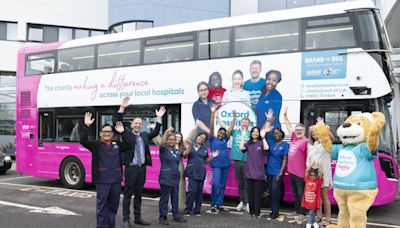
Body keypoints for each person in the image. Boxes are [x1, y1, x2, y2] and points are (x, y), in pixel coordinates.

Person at [117, 97, 166, 228]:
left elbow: (155, 132)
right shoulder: (126, 133)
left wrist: (159, 118)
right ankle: (126, 219)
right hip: (131, 168)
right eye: (136, 123)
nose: (138, 125)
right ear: (132, 125)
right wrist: (122, 108)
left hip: (141, 168)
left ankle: (137, 217)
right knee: (128, 194)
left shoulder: (144, 135)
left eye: (140, 123)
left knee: (139, 194)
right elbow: (118, 122)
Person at [79, 112, 132, 228]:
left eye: (109, 132)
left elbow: (129, 145)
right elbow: (83, 141)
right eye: (104, 132)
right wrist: (86, 126)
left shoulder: (117, 144)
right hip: (103, 181)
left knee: (113, 206)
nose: (107, 134)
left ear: (112, 133)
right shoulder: (96, 145)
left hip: (116, 180)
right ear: (100, 134)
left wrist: (124, 132)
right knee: (102, 207)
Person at [158, 127, 190, 225]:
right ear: (167, 141)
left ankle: (176, 216)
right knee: (164, 198)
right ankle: (162, 217)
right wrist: (167, 131)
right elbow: (162, 142)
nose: (172, 141)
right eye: (170, 139)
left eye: (174, 139)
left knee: (175, 198)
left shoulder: (176, 151)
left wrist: (189, 145)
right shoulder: (164, 149)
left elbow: (185, 153)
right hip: (165, 177)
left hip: (175, 177)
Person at [282, 106, 308, 221]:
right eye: (297, 130)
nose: (298, 131)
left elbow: (308, 158)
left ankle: (303, 213)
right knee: (295, 193)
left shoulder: (306, 141)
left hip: (301, 174)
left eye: (300, 130)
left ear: (304, 131)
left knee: (301, 193)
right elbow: (288, 127)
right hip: (292, 172)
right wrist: (285, 116)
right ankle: (297, 210)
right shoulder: (294, 138)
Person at [184, 132, 219, 216]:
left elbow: (205, 161)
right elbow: (185, 155)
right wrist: (188, 145)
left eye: (203, 138)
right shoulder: (190, 145)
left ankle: (197, 210)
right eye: (200, 137)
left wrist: (212, 157)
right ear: (197, 137)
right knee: (192, 191)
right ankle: (188, 210)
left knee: (199, 193)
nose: (201, 139)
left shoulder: (205, 149)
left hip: (201, 173)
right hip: (192, 171)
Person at [239, 126, 270, 218]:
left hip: (259, 173)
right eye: (253, 132)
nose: (255, 133)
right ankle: (252, 212)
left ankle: (257, 213)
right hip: (249, 172)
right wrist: (244, 136)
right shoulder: (249, 144)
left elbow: (267, 148)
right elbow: (241, 148)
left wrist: (263, 137)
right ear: (251, 133)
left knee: (257, 195)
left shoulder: (261, 143)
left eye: (257, 132)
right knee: (251, 195)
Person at [307, 118, 333, 227]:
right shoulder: (310, 145)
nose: (314, 134)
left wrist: (322, 126)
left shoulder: (325, 142)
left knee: (324, 197)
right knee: (316, 198)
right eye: (312, 133)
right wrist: (309, 168)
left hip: (324, 173)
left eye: (316, 132)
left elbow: (332, 137)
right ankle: (318, 217)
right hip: (313, 175)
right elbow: (308, 159)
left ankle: (328, 219)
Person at [209, 105, 234, 212]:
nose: (222, 134)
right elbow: (211, 127)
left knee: (223, 185)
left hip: (226, 165)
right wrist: (212, 114)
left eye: (223, 133)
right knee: (216, 184)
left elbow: (231, 128)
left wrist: (234, 116)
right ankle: (213, 204)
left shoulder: (225, 140)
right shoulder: (212, 139)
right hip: (216, 166)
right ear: (217, 132)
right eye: (220, 132)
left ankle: (219, 204)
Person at [228, 112, 251, 213]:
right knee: (240, 183)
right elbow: (229, 129)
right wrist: (234, 117)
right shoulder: (235, 132)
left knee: (247, 184)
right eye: (243, 122)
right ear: (240, 124)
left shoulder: (251, 134)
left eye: (246, 122)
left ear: (249, 124)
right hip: (237, 161)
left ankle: (248, 203)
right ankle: (241, 202)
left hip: (247, 161)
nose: (245, 124)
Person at [265, 128, 288, 219]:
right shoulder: (271, 143)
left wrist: (281, 172)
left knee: (275, 191)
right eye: (274, 133)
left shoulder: (285, 145)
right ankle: (272, 210)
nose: (276, 135)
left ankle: (275, 211)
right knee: (271, 191)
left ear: (282, 134)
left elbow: (285, 159)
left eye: (278, 133)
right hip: (269, 171)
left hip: (277, 172)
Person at [302, 164, 323, 228]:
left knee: (311, 212)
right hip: (307, 200)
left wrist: (320, 167)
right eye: (311, 175)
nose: (312, 177)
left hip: (314, 201)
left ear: (316, 176)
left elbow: (321, 175)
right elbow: (306, 172)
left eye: (314, 176)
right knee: (312, 213)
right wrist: (310, 166)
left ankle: (308, 224)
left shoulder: (318, 181)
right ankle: (314, 222)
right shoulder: (307, 180)